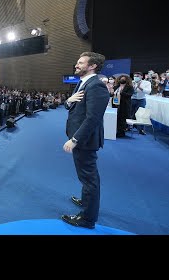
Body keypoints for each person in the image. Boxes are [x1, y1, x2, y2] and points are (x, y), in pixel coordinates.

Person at [62, 52, 109, 229]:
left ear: (92, 66)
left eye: (81, 63)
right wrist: (68, 101)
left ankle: (87, 219)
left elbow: (93, 119)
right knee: (85, 177)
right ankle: (86, 202)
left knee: (89, 179)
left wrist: (74, 139)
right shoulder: (84, 83)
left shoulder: (96, 86)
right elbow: (72, 106)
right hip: (82, 139)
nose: (76, 65)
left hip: (84, 140)